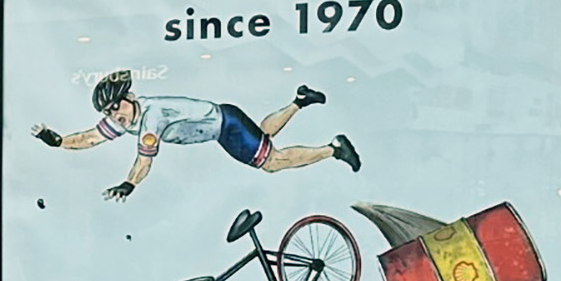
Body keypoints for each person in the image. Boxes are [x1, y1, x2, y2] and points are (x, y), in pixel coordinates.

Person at [33, 70, 360, 200]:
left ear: (129, 96)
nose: (113, 116)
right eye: (107, 113)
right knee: (262, 134)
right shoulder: (128, 116)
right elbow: (91, 138)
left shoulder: (151, 117)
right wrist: (59, 141)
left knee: (271, 162)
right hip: (225, 118)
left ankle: (333, 149)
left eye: (115, 107)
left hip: (225, 128)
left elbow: (143, 162)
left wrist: (129, 184)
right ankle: (300, 100)